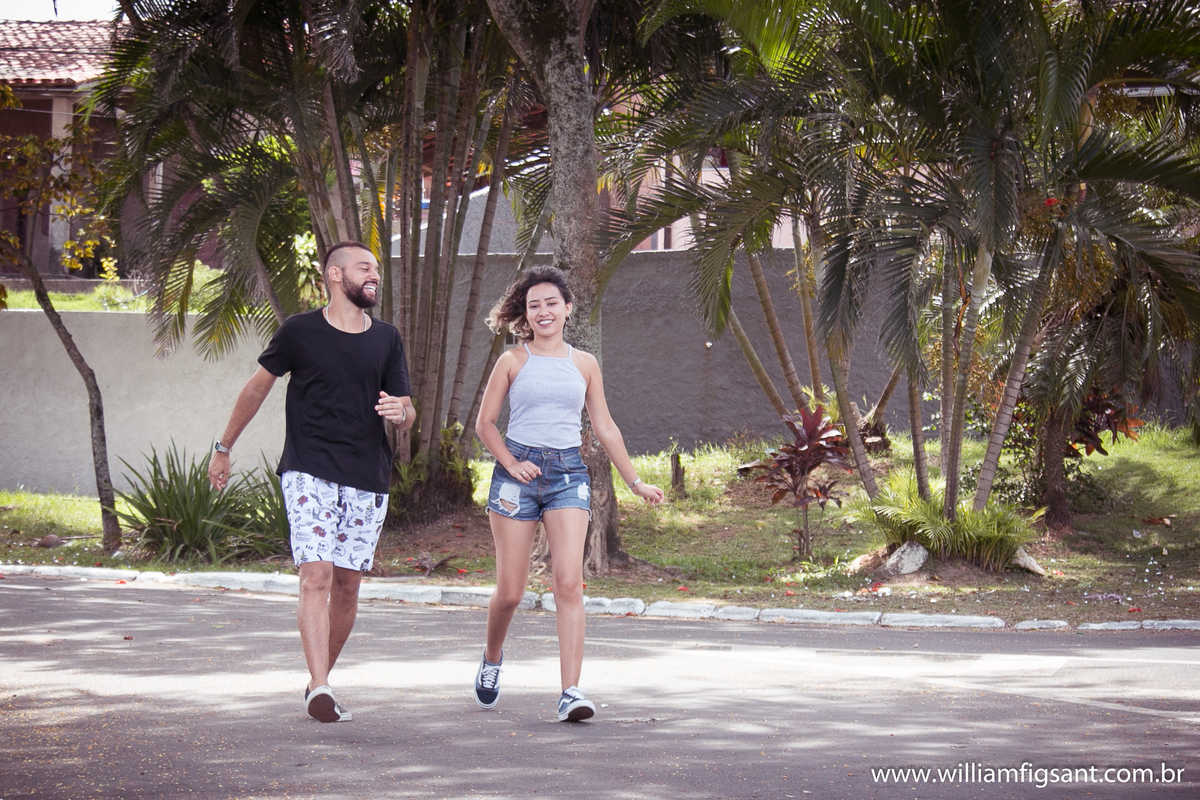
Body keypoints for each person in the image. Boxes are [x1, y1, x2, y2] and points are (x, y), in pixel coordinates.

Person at [207, 241, 415, 724]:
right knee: (316, 576)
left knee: (346, 586)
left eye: (377, 270)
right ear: (335, 275)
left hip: (367, 474)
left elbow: (406, 410)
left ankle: (318, 680)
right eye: (364, 267)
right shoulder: (299, 331)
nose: (374, 276)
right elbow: (257, 388)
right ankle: (321, 685)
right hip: (308, 469)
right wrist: (224, 447)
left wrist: (399, 413)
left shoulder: (387, 338)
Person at [473, 265, 664, 722]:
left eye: (551, 303)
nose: (543, 311)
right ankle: (493, 658)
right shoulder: (512, 361)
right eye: (534, 304)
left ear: (567, 309)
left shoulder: (584, 364)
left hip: (567, 475)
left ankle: (571, 691)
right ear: (525, 312)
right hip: (515, 474)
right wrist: (511, 462)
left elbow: (605, 427)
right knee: (511, 592)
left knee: (568, 582)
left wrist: (635, 481)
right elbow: (484, 424)